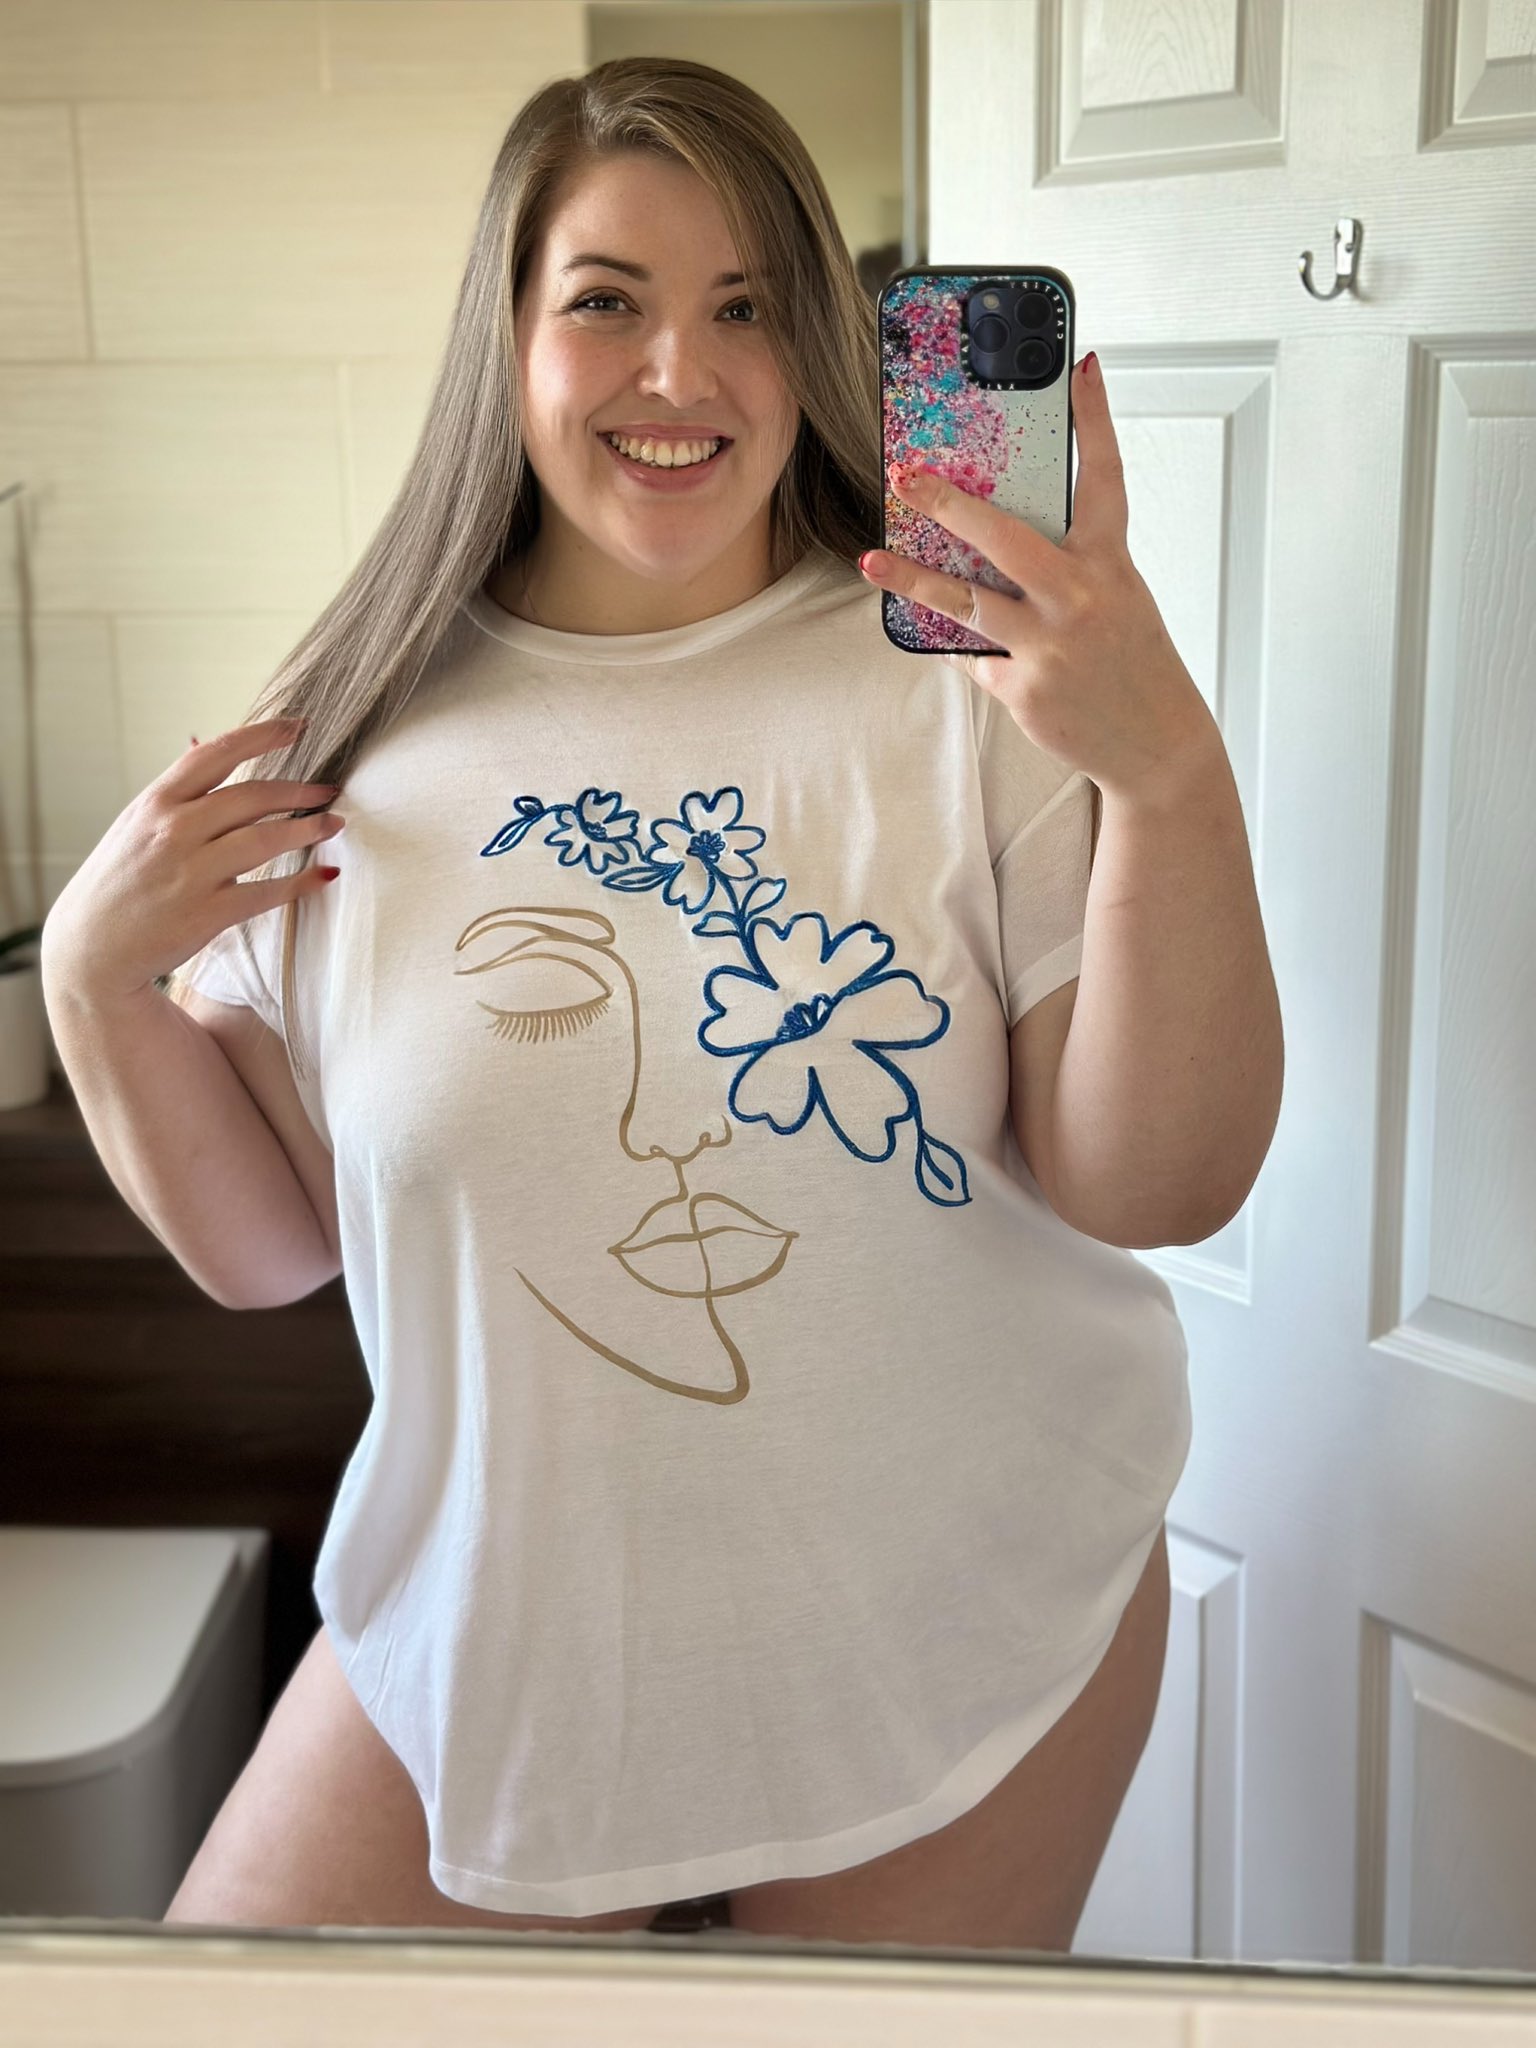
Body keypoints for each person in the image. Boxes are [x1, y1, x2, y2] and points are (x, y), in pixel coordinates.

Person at [40, 56, 1281, 1948]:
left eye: (747, 307)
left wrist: (1167, 773)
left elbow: (1155, 1183)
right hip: (499, 1628)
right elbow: (271, 1248)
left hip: (963, 1610)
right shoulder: (352, 735)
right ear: (509, 339)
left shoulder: (969, 687)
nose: (680, 373)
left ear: (817, 349)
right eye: (607, 300)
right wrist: (90, 979)